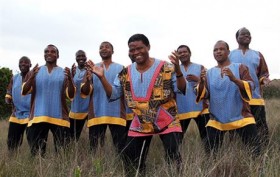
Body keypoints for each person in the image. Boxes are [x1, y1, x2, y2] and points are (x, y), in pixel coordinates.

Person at [87, 34, 186, 176]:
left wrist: (178, 71)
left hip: (167, 120)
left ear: (148, 47)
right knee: (130, 158)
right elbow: (114, 94)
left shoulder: (167, 67)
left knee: (173, 157)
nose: (136, 52)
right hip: (140, 121)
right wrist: (102, 78)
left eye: (140, 48)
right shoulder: (125, 73)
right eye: (132, 50)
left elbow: (181, 89)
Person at [196, 40, 260, 156]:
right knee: (210, 155)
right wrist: (201, 82)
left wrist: (234, 79)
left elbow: (251, 86)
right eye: (215, 50)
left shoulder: (240, 67)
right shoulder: (209, 73)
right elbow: (204, 95)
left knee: (255, 152)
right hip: (217, 120)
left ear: (228, 52)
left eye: (221, 49)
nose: (218, 52)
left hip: (242, 118)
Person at [22, 44, 75, 156]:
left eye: (52, 51)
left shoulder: (64, 73)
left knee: (63, 154)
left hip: (59, 118)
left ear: (57, 55)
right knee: (36, 154)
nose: (49, 53)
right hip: (38, 117)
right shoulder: (35, 71)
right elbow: (25, 91)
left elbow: (70, 95)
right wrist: (31, 77)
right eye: (46, 51)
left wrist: (70, 80)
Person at [81, 41, 127, 154]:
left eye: (107, 47)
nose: (104, 49)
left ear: (113, 51)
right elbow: (85, 92)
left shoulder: (121, 68)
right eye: (101, 47)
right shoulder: (92, 68)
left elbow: (125, 91)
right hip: (97, 112)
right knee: (95, 149)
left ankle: (122, 168)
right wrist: (87, 79)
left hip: (116, 113)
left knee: (121, 148)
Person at [229, 27, 270, 147]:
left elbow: (263, 73)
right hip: (236, 99)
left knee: (261, 125)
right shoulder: (230, 55)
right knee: (236, 126)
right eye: (243, 34)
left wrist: (264, 80)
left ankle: (263, 150)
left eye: (249, 34)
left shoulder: (258, 55)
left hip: (255, 97)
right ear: (237, 38)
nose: (247, 36)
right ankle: (235, 149)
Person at [176, 45, 210, 149]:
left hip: (201, 108)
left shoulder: (201, 67)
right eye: (180, 53)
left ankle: (211, 158)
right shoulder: (173, 70)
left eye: (185, 52)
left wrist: (198, 80)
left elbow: (209, 87)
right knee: (176, 140)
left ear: (190, 53)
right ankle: (176, 162)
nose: (182, 54)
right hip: (181, 109)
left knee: (207, 139)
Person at [5, 56, 32, 152]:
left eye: (26, 62)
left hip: (31, 114)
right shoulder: (14, 78)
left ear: (30, 65)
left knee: (33, 141)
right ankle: (13, 159)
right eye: (21, 62)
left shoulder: (34, 77)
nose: (23, 64)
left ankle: (37, 161)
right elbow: (9, 91)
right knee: (12, 142)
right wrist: (8, 98)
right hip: (16, 114)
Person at [69, 50, 90, 141]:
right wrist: (71, 76)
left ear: (86, 57)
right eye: (78, 56)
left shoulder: (91, 70)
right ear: (76, 58)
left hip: (90, 109)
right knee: (72, 138)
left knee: (94, 137)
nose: (81, 58)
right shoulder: (72, 71)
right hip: (76, 109)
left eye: (83, 56)